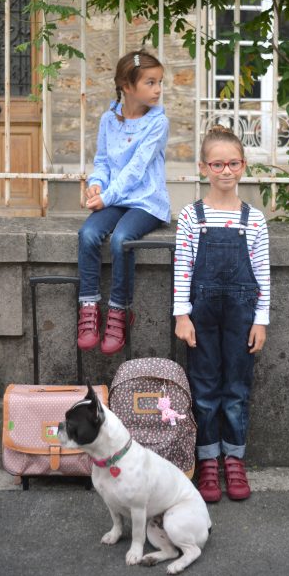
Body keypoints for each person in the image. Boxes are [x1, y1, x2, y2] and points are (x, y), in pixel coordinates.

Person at [173, 125, 270, 502]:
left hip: (242, 317)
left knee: (236, 389)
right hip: (202, 316)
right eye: (217, 164)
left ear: (243, 166)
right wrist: (182, 314)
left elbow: (261, 273)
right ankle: (208, 462)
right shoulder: (191, 216)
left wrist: (261, 319)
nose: (225, 171)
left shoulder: (254, 219)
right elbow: (183, 265)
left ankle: (235, 459)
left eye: (232, 163)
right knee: (205, 387)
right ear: (203, 167)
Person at [77, 49, 171, 355]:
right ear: (127, 86)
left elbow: (136, 169)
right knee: (88, 234)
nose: (158, 89)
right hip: (113, 198)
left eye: (159, 82)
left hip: (145, 201)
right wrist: (95, 185)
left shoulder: (158, 122)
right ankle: (89, 306)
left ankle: (120, 310)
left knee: (121, 239)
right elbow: (103, 160)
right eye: (150, 82)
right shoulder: (109, 119)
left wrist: (106, 197)